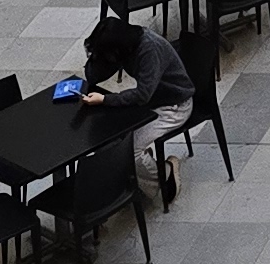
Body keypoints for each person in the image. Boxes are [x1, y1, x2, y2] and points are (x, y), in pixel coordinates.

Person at [82, 12, 194, 197]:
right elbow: (93, 76)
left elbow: (143, 94)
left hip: (174, 105)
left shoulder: (150, 50)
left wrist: (105, 99)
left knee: (131, 151)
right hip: (153, 101)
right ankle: (136, 175)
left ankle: (165, 174)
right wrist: (97, 58)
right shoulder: (125, 46)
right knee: (112, 134)